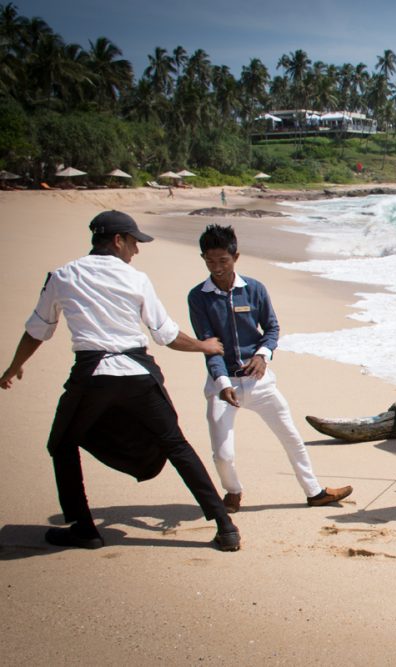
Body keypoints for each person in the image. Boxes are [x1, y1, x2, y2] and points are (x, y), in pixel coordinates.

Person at [0, 210, 241, 551]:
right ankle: (225, 526)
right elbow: (166, 335)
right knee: (176, 445)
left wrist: (13, 367)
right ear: (117, 240)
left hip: (93, 375)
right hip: (137, 374)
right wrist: (203, 345)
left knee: (62, 443)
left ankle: (84, 528)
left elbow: (38, 330)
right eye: (133, 242)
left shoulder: (63, 275)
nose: (136, 250)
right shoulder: (136, 278)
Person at [188, 225, 353, 513]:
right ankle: (233, 492)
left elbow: (272, 328)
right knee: (223, 454)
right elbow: (209, 347)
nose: (216, 268)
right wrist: (223, 382)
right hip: (222, 385)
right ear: (203, 258)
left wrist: (263, 355)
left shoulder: (254, 289)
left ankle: (314, 491)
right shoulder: (198, 297)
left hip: (260, 383)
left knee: (292, 439)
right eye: (210, 261)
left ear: (235, 256)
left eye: (223, 261)